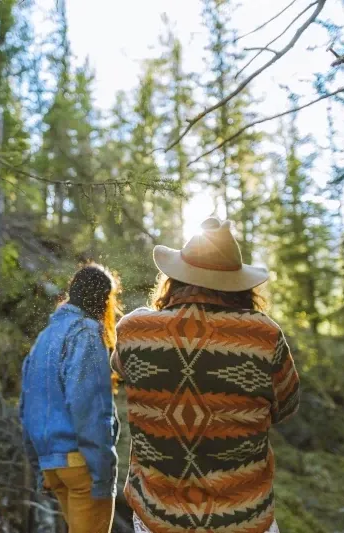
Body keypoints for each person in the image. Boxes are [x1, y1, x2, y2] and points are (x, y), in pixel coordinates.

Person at [112, 217, 300, 533]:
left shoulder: (135, 331)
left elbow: (120, 365)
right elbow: (285, 405)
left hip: (159, 517)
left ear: (174, 278)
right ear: (239, 286)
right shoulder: (263, 335)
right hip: (243, 516)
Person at [20, 263, 121, 533]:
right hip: (81, 464)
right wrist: (103, 474)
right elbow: (89, 407)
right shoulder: (86, 333)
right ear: (103, 299)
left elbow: (27, 407)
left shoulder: (44, 338)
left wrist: (39, 465)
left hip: (54, 465)